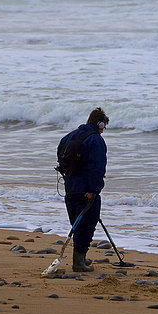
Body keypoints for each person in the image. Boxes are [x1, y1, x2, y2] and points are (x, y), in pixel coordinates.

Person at [57, 107, 109, 272]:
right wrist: (94, 190)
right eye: (104, 126)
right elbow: (97, 168)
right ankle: (78, 262)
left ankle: (80, 258)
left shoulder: (69, 136)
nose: (103, 130)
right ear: (100, 124)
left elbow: (60, 158)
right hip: (86, 190)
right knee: (87, 225)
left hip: (70, 188)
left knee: (77, 224)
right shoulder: (96, 140)